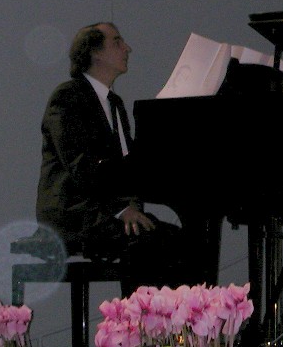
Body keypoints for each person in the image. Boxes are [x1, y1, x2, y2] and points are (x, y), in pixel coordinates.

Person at [35, 21, 214, 296]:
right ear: (95, 52)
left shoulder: (115, 104)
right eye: (117, 42)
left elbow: (126, 170)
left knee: (182, 243)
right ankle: (136, 318)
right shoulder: (67, 97)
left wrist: (130, 204)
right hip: (74, 213)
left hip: (104, 212)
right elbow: (79, 166)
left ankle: (177, 319)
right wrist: (121, 209)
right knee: (147, 244)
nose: (127, 48)